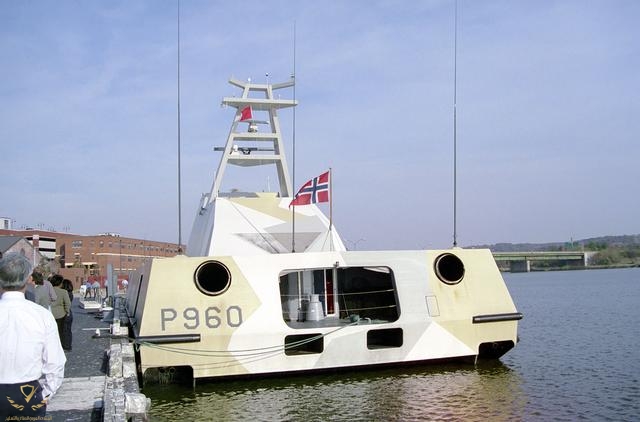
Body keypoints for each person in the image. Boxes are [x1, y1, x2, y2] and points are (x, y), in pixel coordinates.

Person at [0, 253, 66, 418]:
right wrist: (46, 394)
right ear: (28, 278)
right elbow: (55, 362)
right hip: (28, 392)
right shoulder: (41, 315)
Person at [49, 275, 71, 351]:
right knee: (61, 332)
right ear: (60, 283)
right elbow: (67, 303)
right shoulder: (63, 292)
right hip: (61, 314)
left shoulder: (47, 290)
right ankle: (60, 347)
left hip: (50, 314)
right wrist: (67, 311)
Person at [61, 279, 74, 352]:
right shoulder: (71, 293)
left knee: (64, 330)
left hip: (65, 313)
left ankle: (65, 346)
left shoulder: (64, 293)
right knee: (68, 330)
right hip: (70, 313)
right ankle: (68, 345)